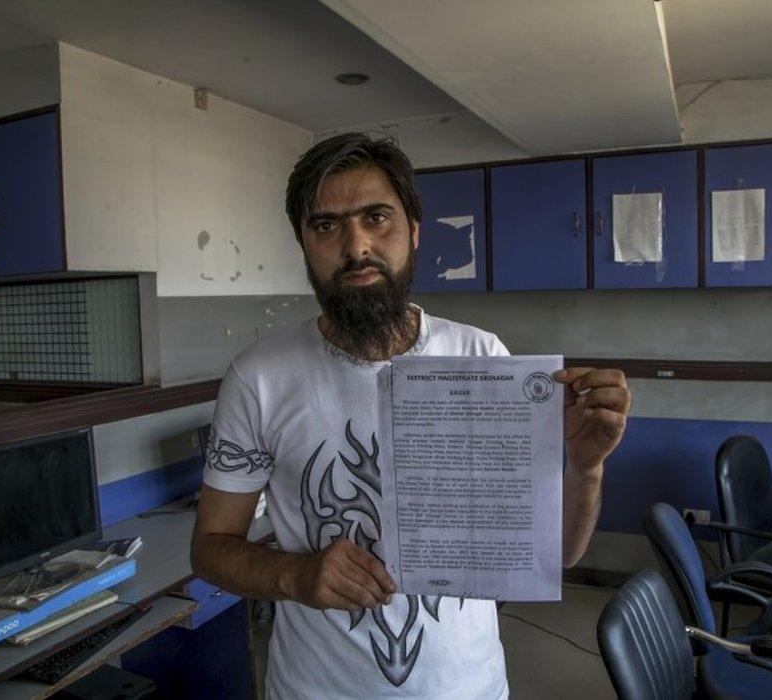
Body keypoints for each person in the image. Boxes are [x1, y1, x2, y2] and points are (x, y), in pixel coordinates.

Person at [190, 132, 632, 699]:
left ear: (414, 231)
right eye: (326, 225)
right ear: (302, 242)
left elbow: (559, 554)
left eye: (377, 218)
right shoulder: (259, 378)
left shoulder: (482, 359)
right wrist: (294, 575)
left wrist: (586, 466)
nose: (356, 247)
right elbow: (209, 548)